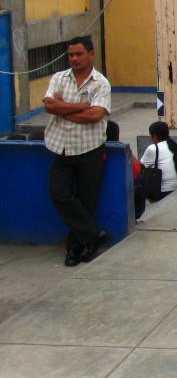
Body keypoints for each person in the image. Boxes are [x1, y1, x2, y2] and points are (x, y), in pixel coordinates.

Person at [43, 36, 112, 267]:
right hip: (61, 148)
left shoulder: (100, 83)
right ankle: (94, 234)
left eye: (78, 54)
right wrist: (81, 106)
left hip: (89, 149)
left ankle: (75, 248)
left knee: (86, 201)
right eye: (71, 55)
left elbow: (95, 115)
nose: (74, 58)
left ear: (91, 54)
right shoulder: (59, 78)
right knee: (58, 193)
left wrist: (63, 110)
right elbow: (49, 105)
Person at [139, 121, 177, 200]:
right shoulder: (174, 146)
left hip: (164, 191)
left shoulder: (153, 148)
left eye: (150, 135)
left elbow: (140, 166)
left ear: (154, 136)